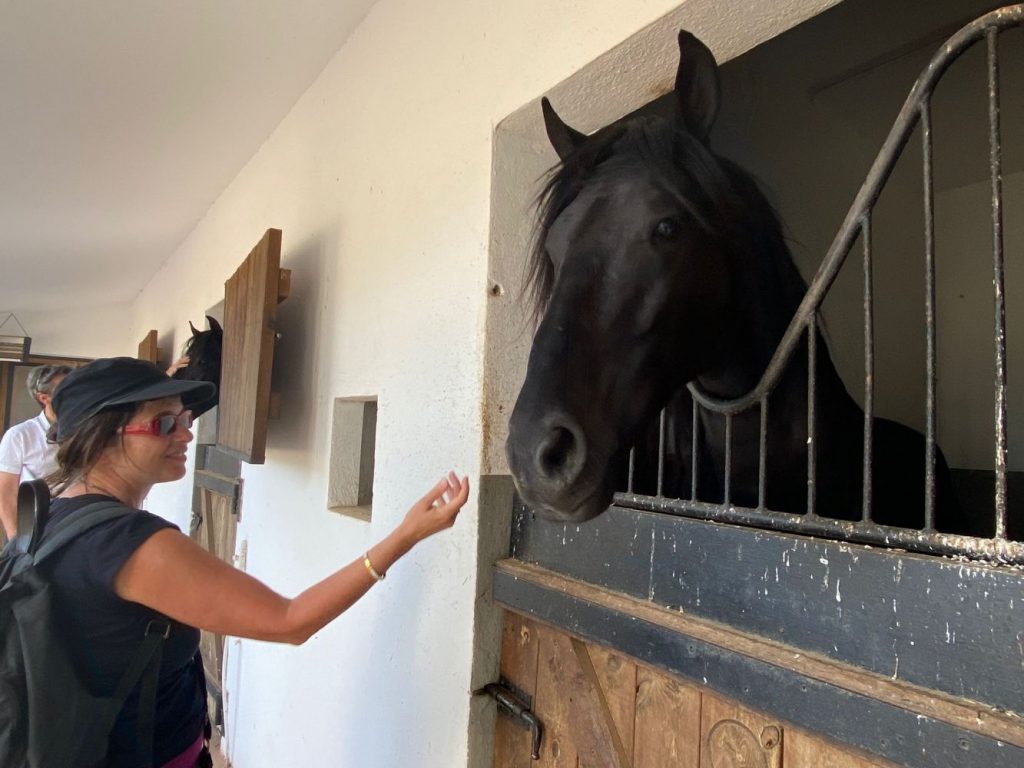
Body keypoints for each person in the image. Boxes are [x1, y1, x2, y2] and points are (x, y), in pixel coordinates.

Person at [42, 357, 470, 767]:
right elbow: (290, 620)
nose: (186, 435)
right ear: (100, 439)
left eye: (185, 419)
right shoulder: (129, 544)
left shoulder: (53, 513)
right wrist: (406, 535)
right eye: (165, 424)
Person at [0, 364, 71, 540]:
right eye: (65, 389)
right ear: (44, 398)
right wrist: (15, 538)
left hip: (78, 518)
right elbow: (6, 490)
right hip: (36, 523)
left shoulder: (86, 430)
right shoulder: (19, 435)